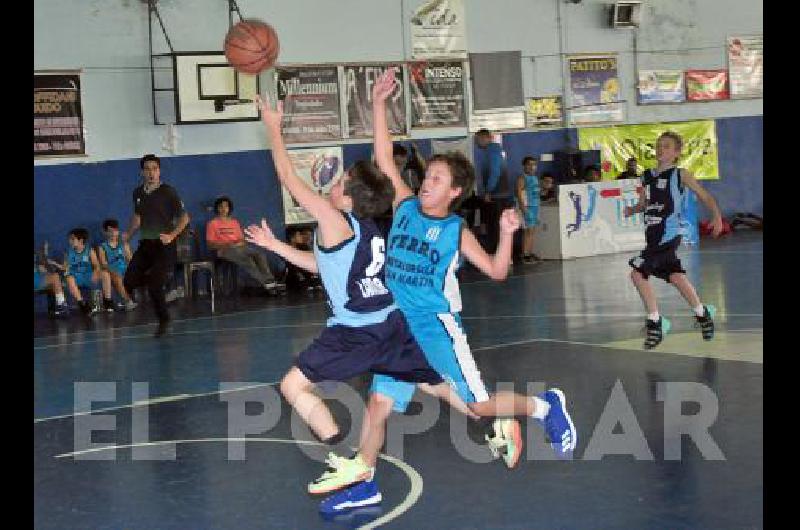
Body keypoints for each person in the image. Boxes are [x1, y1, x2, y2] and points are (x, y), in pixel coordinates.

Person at [315, 69, 578, 513]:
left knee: (478, 408)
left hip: (436, 327)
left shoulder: (454, 231)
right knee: (378, 404)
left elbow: (496, 272)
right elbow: (383, 154)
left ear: (454, 192)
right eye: (426, 176)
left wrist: (508, 232)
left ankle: (544, 405)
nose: (425, 183)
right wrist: (379, 103)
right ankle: (366, 483)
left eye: (436, 180)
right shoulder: (403, 207)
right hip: (400, 327)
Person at [246, 93, 478, 500]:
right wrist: (276, 246)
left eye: (338, 184)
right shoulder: (363, 226)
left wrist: (272, 127)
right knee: (429, 381)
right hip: (392, 324)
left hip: (356, 332)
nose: (332, 186)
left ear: (347, 198)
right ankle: (491, 421)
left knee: (291, 387)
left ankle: (340, 454)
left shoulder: (335, 221)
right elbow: (323, 267)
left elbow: (288, 177)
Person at [623, 131, 723, 349]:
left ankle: (656, 322)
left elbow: (705, 196)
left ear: (677, 153)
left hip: (668, 235)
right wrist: (633, 209)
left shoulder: (680, 175)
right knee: (676, 277)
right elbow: (644, 203)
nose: (661, 149)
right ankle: (702, 314)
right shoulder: (647, 175)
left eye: (667, 146)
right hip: (653, 236)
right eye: (659, 146)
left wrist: (716, 217)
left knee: (637, 273)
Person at [123, 154, 190, 337]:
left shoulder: (168, 191)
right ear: (142, 172)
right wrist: (128, 235)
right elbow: (137, 218)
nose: (151, 172)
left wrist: (172, 235)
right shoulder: (137, 193)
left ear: (159, 171)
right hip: (145, 245)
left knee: (154, 285)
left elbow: (185, 217)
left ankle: (164, 320)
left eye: (155, 169)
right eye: (147, 169)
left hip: (164, 245)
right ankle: (161, 284)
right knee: (128, 281)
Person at [206, 196, 282, 295]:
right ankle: (267, 284)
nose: (224, 209)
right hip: (224, 250)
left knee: (260, 254)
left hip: (240, 248)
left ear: (229, 208)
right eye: (221, 206)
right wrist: (227, 245)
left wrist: (238, 243)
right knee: (247, 260)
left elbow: (242, 240)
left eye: (226, 206)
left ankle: (270, 281)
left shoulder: (234, 222)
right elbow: (210, 244)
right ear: (217, 208)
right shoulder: (212, 224)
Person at [48, 228, 113, 316]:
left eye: (72, 239)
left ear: (80, 240)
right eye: (69, 239)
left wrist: (96, 272)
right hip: (75, 278)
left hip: (88, 276)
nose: (70, 241)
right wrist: (54, 263)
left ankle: (108, 301)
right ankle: (82, 304)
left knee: (105, 274)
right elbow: (65, 268)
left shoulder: (89, 250)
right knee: (69, 277)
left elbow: (97, 265)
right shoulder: (68, 252)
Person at [474, 128, 511, 253]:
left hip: (497, 195)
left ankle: (498, 253)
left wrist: (488, 191)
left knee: (495, 226)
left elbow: (495, 172)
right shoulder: (496, 150)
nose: (476, 142)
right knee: (496, 225)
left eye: (477, 139)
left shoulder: (492, 151)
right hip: (500, 194)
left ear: (484, 138)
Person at [97, 219, 137, 311]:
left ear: (118, 231)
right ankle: (128, 301)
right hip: (112, 271)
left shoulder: (123, 244)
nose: (113, 233)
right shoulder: (102, 247)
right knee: (116, 276)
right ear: (105, 232)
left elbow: (130, 259)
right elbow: (103, 264)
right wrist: (113, 271)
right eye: (110, 231)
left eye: (115, 231)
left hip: (125, 270)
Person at [515, 156, 542, 264]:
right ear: (524, 166)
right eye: (529, 164)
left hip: (535, 207)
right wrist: (523, 208)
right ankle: (525, 254)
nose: (532, 167)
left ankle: (529, 253)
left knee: (532, 231)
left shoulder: (535, 178)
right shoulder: (522, 178)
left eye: (534, 165)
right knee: (527, 231)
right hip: (527, 207)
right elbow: (519, 193)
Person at [34, 246, 68, 317]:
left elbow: (41, 266)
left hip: (37, 277)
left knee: (55, 276)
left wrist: (40, 267)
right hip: (36, 278)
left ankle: (62, 307)